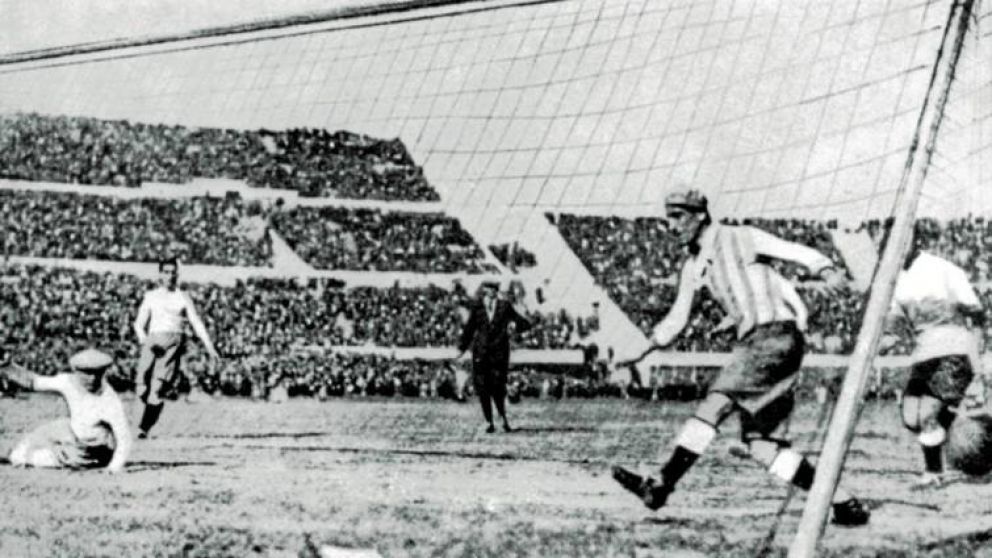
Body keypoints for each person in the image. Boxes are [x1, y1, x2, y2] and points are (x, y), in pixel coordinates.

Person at [611, 189, 869, 526]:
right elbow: (677, 319)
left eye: (678, 217)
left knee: (715, 404)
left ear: (700, 214)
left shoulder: (740, 237)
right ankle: (844, 502)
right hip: (765, 342)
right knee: (761, 447)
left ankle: (661, 484)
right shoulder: (693, 266)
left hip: (772, 336)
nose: (671, 226)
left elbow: (793, 251)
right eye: (668, 218)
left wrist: (825, 269)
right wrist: (642, 350)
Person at [882, 227, 985, 488]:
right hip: (922, 352)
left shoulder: (942, 268)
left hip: (954, 348)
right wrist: (883, 341)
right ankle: (967, 432)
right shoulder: (893, 277)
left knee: (927, 415)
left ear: (914, 240)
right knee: (910, 418)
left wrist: (978, 355)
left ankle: (934, 473)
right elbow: (894, 324)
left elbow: (976, 312)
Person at [3, 348, 131, 472]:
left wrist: (114, 467)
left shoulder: (109, 400)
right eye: (86, 373)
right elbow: (34, 382)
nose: (92, 378)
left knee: (37, 458)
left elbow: (124, 438)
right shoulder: (68, 381)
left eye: (97, 373)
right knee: (47, 431)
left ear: (103, 372)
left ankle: (26, 457)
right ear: (76, 371)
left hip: (89, 451)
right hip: (71, 430)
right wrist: (8, 367)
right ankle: (18, 452)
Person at [133, 258, 220, 439]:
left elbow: (196, 322)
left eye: (173, 272)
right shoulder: (151, 296)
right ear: (160, 274)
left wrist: (209, 347)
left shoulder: (182, 296)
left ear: (177, 274)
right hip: (152, 342)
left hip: (172, 344)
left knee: (156, 390)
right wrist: (145, 341)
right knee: (142, 389)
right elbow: (138, 325)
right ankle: (145, 418)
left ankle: (144, 428)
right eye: (166, 272)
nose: (170, 276)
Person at [456, 281, 532, 433]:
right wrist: (461, 349)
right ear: (484, 290)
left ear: (496, 290)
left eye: (493, 289)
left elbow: (524, 323)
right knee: (482, 387)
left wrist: (514, 326)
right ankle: (488, 421)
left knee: (498, 387)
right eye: (487, 289)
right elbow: (470, 328)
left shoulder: (505, 306)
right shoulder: (477, 306)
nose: (490, 291)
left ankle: (502, 418)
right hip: (481, 352)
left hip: (499, 352)